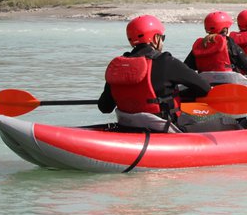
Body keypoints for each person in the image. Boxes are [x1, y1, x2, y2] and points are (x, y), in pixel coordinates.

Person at [98, 15, 238, 132]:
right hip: (164, 129)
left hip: (128, 127)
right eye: (162, 38)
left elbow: (104, 107)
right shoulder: (165, 61)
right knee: (230, 122)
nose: (162, 42)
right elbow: (205, 88)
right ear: (154, 39)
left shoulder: (118, 65)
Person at [184, 11, 247, 76]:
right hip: (228, 83)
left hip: (206, 84)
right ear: (225, 28)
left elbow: (186, 68)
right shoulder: (229, 42)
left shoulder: (200, 44)